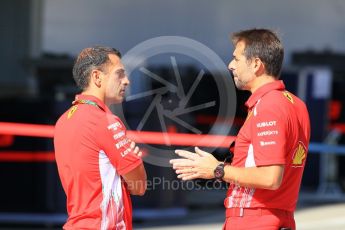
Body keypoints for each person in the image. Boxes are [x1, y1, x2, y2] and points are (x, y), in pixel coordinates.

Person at [170, 28, 310, 230]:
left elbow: (270, 177)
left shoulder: (269, 106)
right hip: (274, 216)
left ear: (256, 64)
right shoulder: (296, 104)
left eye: (236, 59)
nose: (230, 65)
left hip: (254, 219)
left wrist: (216, 170)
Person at [54, 46, 147, 230]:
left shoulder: (63, 120)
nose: (126, 81)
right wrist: (134, 159)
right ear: (97, 77)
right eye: (119, 74)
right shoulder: (106, 121)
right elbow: (139, 186)